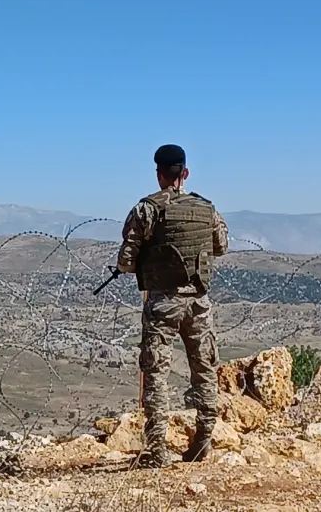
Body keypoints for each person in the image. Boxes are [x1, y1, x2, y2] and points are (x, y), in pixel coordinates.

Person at [115, 143, 229, 468]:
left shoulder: (146, 209)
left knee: (156, 373)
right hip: (198, 301)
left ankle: (157, 450)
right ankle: (203, 441)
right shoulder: (206, 209)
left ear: (159, 174)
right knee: (204, 369)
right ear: (186, 173)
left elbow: (126, 261)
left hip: (163, 302)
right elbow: (220, 246)